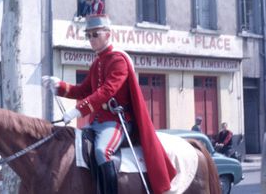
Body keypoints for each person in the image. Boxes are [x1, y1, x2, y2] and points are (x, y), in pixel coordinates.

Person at [42, 14, 176, 194]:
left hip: (117, 121)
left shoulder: (118, 60)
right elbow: (83, 91)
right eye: (88, 35)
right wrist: (59, 86)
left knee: (101, 151)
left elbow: (106, 92)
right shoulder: (97, 62)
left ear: (107, 34)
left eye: (95, 34)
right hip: (97, 122)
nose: (91, 39)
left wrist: (77, 111)